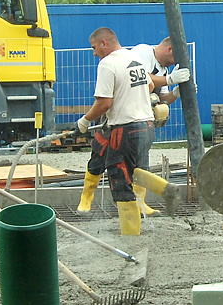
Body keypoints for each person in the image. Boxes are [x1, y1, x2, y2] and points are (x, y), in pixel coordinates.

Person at [75, 27, 183, 235]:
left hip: (124, 129)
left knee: (119, 179)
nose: (94, 53)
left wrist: (85, 120)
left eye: (95, 47)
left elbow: (105, 102)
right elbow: (150, 87)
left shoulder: (108, 63)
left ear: (104, 43)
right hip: (146, 126)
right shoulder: (136, 59)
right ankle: (165, 189)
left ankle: (131, 235)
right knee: (135, 170)